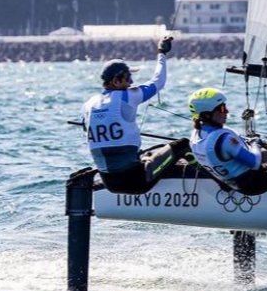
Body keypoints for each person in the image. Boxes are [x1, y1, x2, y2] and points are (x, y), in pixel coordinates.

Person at [82, 36, 191, 194]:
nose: (131, 82)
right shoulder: (127, 97)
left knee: (145, 154)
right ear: (116, 81)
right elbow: (158, 81)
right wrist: (161, 52)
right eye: (128, 77)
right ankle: (212, 177)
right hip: (137, 181)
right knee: (183, 145)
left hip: (109, 184)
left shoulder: (88, 105)